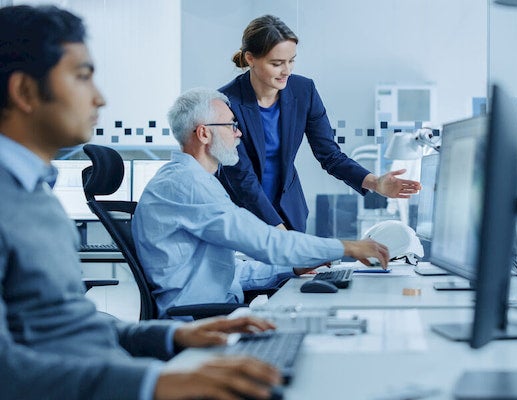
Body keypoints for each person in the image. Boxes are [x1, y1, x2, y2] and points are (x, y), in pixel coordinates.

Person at [0, 5, 285, 399]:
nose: (100, 98)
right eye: (82, 77)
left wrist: (175, 335)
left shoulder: (36, 197)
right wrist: (153, 383)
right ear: (25, 92)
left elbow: (72, 325)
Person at [132, 88, 390, 318]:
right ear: (204, 133)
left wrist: (293, 266)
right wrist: (347, 247)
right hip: (200, 321)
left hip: (215, 310)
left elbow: (230, 273)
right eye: (231, 125)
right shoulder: (187, 186)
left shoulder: (197, 181)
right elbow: (264, 243)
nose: (239, 133)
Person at [217, 14, 422, 232]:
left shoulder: (303, 91)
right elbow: (242, 178)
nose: (287, 70)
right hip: (243, 214)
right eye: (276, 63)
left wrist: (375, 182)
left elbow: (330, 155)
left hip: (289, 212)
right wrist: (285, 241)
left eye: (291, 60)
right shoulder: (226, 102)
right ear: (250, 59)